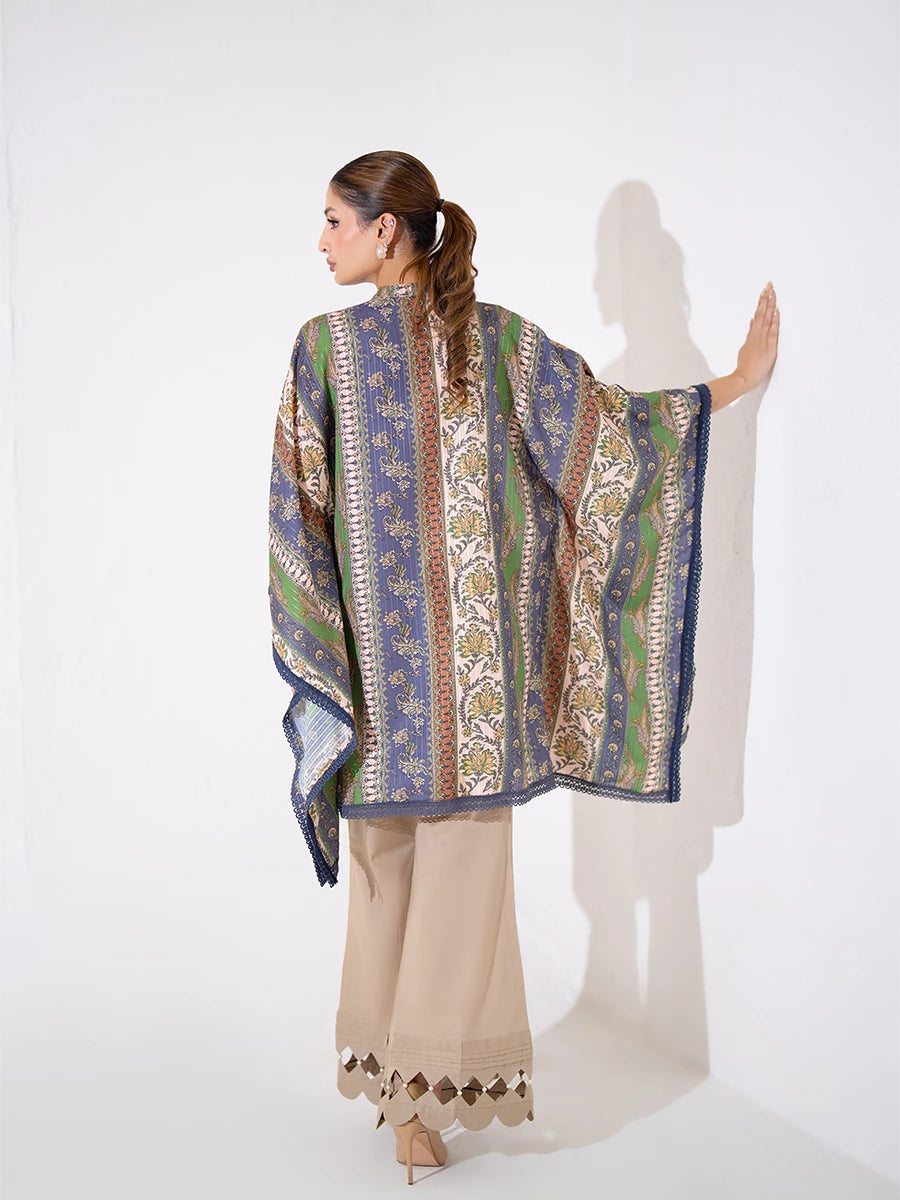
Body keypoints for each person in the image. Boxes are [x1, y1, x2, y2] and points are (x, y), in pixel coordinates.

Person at [267, 150, 779, 1184]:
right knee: (404, 893)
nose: (320, 242)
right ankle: (406, 1101)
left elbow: (604, 442)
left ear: (385, 229)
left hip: (454, 700)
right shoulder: (326, 350)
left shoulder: (491, 342)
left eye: (333, 220)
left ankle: (417, 1109)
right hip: (402, 695)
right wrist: (323, 655)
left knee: (427, 896)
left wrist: (730, 383)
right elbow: (299, 503)